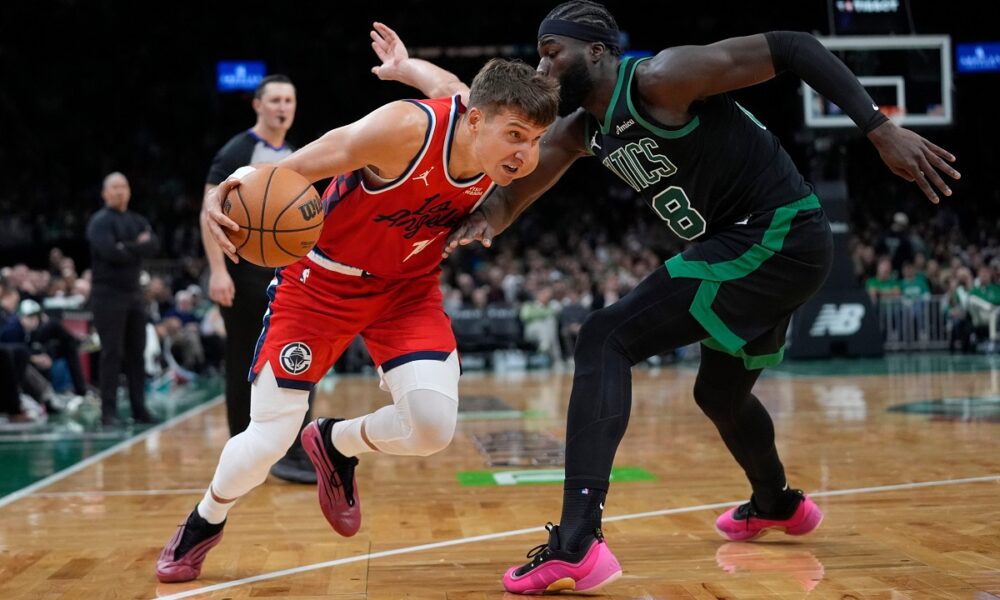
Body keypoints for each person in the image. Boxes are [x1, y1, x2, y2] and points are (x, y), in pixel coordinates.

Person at [372, 3, 960, 592]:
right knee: (720, 394)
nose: (542, 64)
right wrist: (489, 218)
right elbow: (525, 181)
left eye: (554, 51)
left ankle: (577, 541)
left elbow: (794, 45)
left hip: (774, 233)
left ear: (597, 52)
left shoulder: (661, 79)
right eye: (540, 51)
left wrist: (878, 128)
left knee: (606, 337)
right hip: (762, 247)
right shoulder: (580, 128)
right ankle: (778, 502)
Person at [154, 55, 559, 583]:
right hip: (321, 283)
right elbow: (293, 166)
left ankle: (334, 442)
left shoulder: (481, 120)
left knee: (433, 428)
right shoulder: (402, 130)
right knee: (269, 437)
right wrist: (226, 189)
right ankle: (204, 520)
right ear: (476, 120)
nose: (526, 154)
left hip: (407, 289)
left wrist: (405, 62)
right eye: (515, 136)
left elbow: (449, 83)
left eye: (535, 140)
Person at [201, 74, 317, 484]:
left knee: (302, 352)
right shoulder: (238, 149)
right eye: (275, 100)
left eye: (289, 99)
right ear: (258, 105)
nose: (283, 107)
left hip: (290, 271)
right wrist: (217, 271)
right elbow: (208, 209)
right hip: (242, 269)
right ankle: (243, 447)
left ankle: (299, 447)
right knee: (244, 359)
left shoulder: (298, 152)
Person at [85, 172, 160, 427]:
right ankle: (108, 413)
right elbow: (108, 252)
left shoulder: (137, 219)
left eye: (124, 186)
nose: (120, 191)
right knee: (111, 353)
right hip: (107, 295)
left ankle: (139, 409)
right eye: (114, 187)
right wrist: (136, 247)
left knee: (136, 353)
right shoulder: (99, 222)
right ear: (105, 193)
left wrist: (124, 247)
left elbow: (154, 244)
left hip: (134, 295)